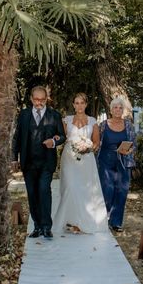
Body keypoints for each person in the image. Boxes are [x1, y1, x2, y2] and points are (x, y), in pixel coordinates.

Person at [11, 86, 66, 239]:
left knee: (44, 191)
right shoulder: (24, 114)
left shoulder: (54, 115)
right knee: (32, 194)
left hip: (46, 163)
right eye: (36, 99)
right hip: (28, 162)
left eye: (42, 99)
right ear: (31, 99)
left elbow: (62, 136)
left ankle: (47, 227)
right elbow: (17, 138)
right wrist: (14, 158)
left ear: (46, 98)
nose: (39, 102)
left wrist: (54, 142)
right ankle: (37, 226)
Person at [52, 93, 108, 234]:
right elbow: (61, 137)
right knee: (70, 187)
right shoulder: (67, 120)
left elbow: (96, 142)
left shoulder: (92, 121)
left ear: (86, 104)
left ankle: (81, 222)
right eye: (76, 103)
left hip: (87, 159)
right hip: (69, 158)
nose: (79, 106)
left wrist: (88, 147)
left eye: (82, 103)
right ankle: (69, 219)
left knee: (84, 189)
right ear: (73, 105)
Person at [97, 97, 136, 233]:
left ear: (123, 110)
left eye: (120, 108)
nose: (118, 110)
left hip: (123, 161)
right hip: (105, 161)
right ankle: (103, 219)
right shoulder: (103, 125)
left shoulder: (129, 125)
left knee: (121, 191)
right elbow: (97, 143)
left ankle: (116, 222)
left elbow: (133, 144)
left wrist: (129, 150)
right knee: (107, 190)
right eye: (115, 107)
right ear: (111, 110)